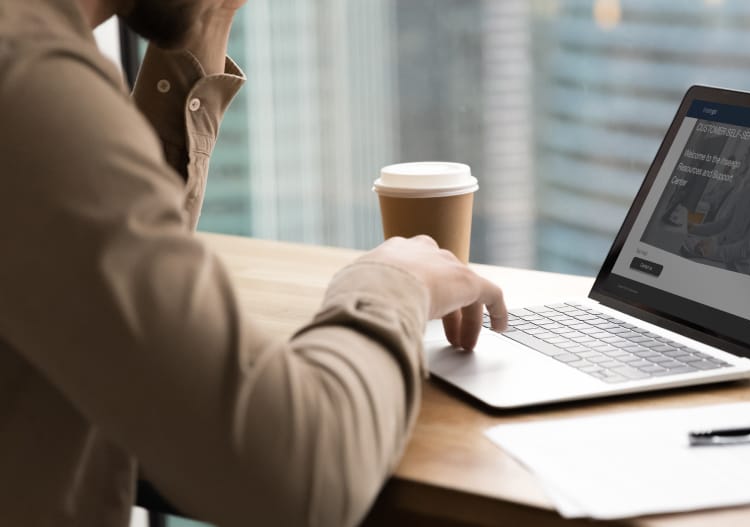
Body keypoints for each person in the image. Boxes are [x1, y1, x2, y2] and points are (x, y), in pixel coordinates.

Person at [0, 1, 507, 526]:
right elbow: (303, 474)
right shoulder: (27, 82)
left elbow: (104, 275)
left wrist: (208, 17)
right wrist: (395, 284)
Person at [684, 134, 750, 274]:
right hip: (721, 252)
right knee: (684, 245)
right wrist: (693, 228)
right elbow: (724, 223)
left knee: (688, 266)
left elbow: (748, 247)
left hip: (735, 266)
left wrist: (713, 251)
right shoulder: (748, 189)